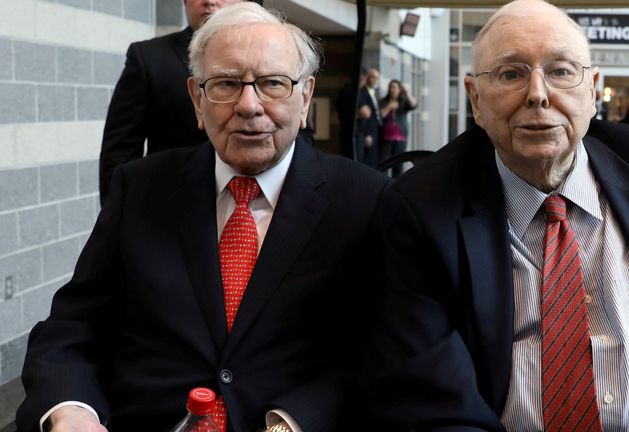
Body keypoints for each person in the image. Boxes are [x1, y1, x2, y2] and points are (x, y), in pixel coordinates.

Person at [362, 1, 629, 431]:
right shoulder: (420, 207)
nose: (538, 94)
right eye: (511, 73)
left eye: (560, 71)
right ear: (475, 99)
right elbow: (429, 398)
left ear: (592, 90)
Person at [17, 3, 389, 432]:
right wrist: (72, 410)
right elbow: (74, 326)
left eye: (272, 83)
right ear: (196, 98)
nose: (249, 105)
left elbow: (378, 348)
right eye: (226, 84)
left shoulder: (365, 200)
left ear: (305, 97)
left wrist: (295, 421)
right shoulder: (141, 189)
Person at [98, 0, 246, 205]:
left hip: (257, 207)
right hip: (170, 207)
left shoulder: (272, 55)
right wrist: (117, 221)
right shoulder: (148, 58)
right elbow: (119, 152)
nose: (210, 1)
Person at [378, 79, 418, 176]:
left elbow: (413, 104)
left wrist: (406, 93)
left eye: (395, 87)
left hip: (400, 139)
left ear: (399, 89)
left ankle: (395, 187)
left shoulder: (403, 102)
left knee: (398, 166)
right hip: (386, 139)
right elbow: (381, 115)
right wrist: (390, 106)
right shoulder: (383, 101)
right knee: (383, 165)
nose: (393, 90)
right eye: (391, 87)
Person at [355, 68, 381, 167]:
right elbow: (364, 116)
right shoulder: (362, 92)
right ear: (367, 78)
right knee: (367, 163)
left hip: (375, 131)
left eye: (377, 78)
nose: (376, 80)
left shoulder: (373, 92)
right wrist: (367, 134)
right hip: (366, 132)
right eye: (373, 77)